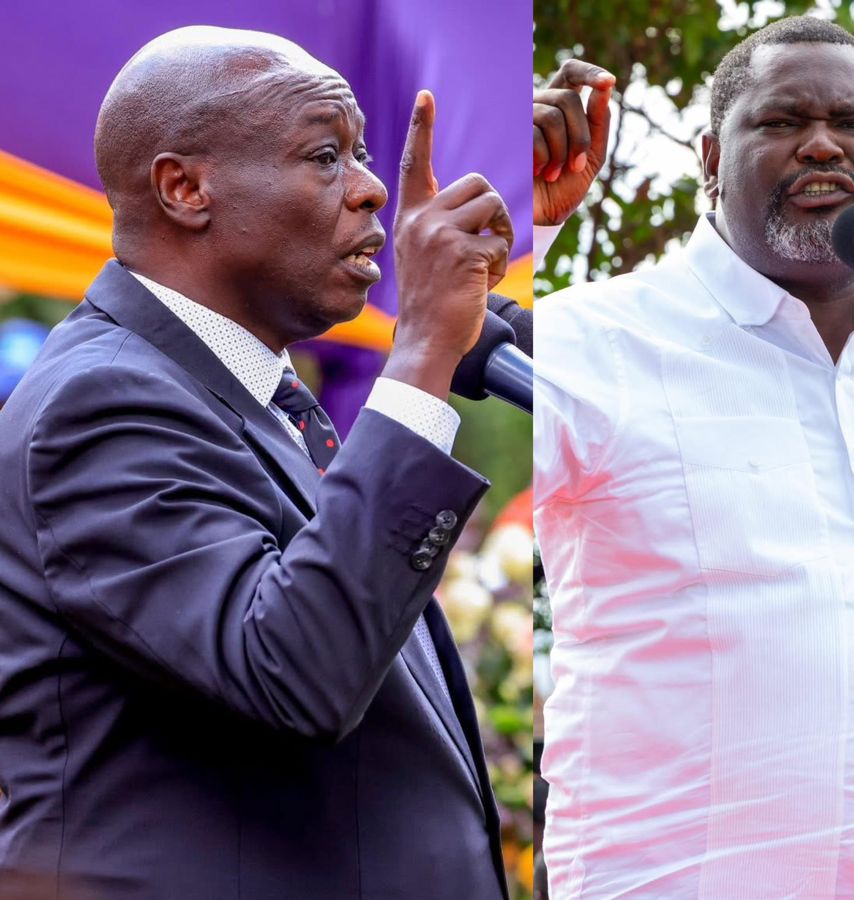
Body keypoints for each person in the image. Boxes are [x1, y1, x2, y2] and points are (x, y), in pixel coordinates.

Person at [532, 16, 854, 897]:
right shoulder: (596, 340)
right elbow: (432, 455)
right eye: (780, 123)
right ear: (710, 157)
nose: (822, 145)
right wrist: (521, 239)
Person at [0, 27, 514, 898]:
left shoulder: (251, 398)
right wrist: (422, 349)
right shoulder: (98, 406)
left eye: (360, 153)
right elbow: (293, 671)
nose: (372, 188)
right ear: (185, 188)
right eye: (325, 155)